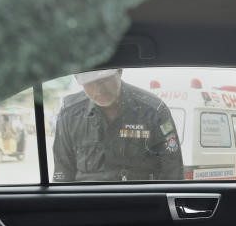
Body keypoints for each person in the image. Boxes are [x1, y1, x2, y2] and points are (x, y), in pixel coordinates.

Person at [52, 69, 183, 181]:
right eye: (89, 83)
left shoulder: (153, 110)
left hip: (138, 203)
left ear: (119, 71)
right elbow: (63, 173)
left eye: (103, 79)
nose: (98, 89)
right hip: (87, 205)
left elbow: (172, 170)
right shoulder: (70, 113)